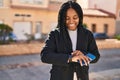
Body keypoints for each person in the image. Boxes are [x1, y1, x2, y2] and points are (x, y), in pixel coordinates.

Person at [40, 1, 100, 80]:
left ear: (80, 17)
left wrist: (84, 55)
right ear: (62, 18)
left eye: (75, 18)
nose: (71, 21)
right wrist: (70, 58)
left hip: (82, 77)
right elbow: (45, 56)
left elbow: (96, 55)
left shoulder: (87, 34)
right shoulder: (55, 34)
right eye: (67, 18)